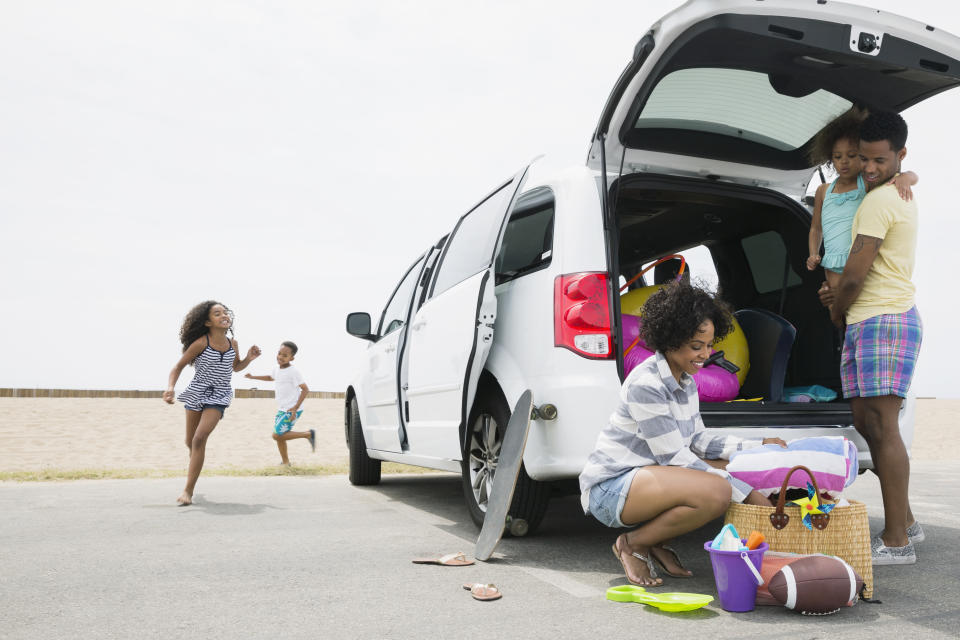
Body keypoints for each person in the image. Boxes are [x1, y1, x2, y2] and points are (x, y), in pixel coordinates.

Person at [579, 283, 786, 586]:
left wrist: (756, 448)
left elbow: (698, 440)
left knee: (735, 471)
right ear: (671, 340)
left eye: (709, 345)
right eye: (696, 346)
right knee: (718, 492)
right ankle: (632, 543)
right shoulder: (647, 384)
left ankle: (655, 541)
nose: (706, 354)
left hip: (649, 478)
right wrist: (744, 490)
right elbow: (675, 458)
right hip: (611, 488)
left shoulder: (685, 380)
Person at [818, 111, 923, 565]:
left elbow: (856, 274)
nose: (871, 168)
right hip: (866, 319)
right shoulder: (875, 190)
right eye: (865, 159)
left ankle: (897, 541)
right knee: (866, 424)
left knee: (883, 427)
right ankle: (910, 522)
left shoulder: (883, 200)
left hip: (884, 318)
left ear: (900, 155)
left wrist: (836, 306)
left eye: (881, 160)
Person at [806, 108, 917, 290]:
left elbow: (905, 175)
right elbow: (816, 228)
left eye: (852, 156)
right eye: (837, 157)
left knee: (854, 296)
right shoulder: (823, 191)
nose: (844, 162)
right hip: (832, 259)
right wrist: (813, 253)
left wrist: (906, 177)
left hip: (857, 259)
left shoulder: (866, 183)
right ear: (829, 158)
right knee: (836, 309)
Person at [163, 301, 261, 505]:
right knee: (189, 442)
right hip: (198, 391)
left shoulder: (233, 344)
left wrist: (249, 360)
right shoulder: (201, 343)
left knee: (199, 439)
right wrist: (171, 387)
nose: (224, 315)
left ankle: (187, 491)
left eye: (225, 312)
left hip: (220, 394)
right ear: (208, 322)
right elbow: (178, 367)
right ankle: (194, 470)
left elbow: (235, 367)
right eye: (217, 314)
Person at [245, 341, 315, 465]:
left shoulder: (294, 372)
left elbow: (305, 389)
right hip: (282, 409)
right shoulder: (276, 369)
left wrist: (295, 408)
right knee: (280, 436)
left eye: (285, 355)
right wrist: (253, 377)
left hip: (292, 409)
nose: (280, 357)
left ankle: (308, 434)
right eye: (279, 353)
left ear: (292, 358)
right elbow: (270, 378)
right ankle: (286, 462)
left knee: (276, 435)